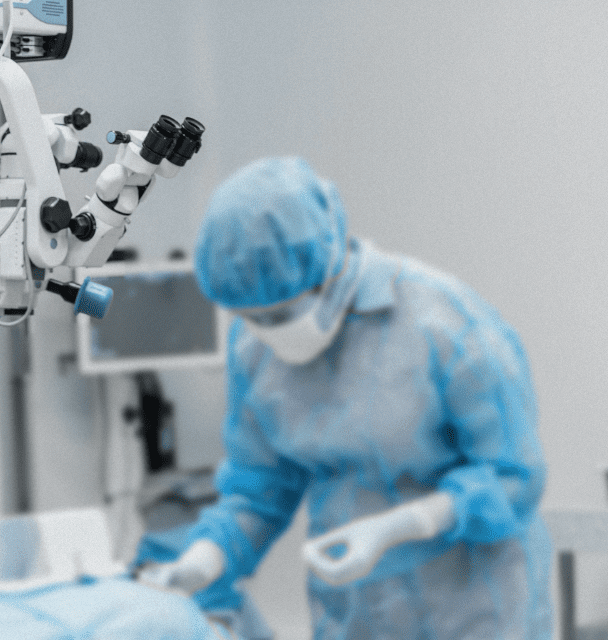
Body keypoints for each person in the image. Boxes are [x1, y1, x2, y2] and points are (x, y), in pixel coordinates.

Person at [136, 157, 552, 639]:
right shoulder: (254, 349)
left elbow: (513, 477)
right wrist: (205, 559)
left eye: (281, 313)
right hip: (354, 615)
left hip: (474, 612)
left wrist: (408, 523)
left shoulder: (444, 324)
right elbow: (259, 487)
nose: (269, 332)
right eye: (251, 317)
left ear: (328, 273)